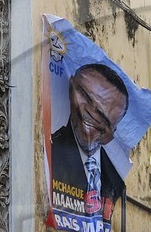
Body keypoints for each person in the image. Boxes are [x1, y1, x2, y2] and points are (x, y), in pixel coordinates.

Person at [50, 62, 130, 221]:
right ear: (71, 86)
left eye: (102, 114)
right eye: (85, 97)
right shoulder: (52, 151)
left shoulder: (114, 170)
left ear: (113, 129)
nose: (91, 113)